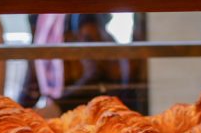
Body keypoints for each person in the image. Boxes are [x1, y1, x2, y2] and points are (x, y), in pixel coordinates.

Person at [17, 13, 147, 116]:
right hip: (69, 116)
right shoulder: (39, 17)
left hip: (98, 116)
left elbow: (97, 76)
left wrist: (58, 106)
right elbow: (33, 78)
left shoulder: (85, 15)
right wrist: (18, 113)